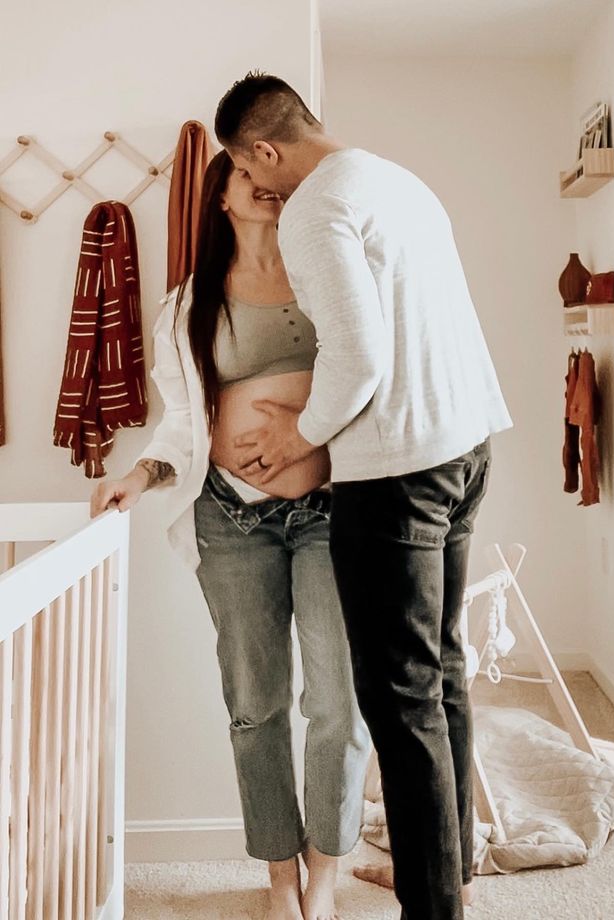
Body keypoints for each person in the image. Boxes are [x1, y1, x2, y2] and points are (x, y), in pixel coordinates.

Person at [213, 73, 513, 920]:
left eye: (245, 165)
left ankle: (433, 905)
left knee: (401, 701)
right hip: (466, 448)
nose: (255, 184)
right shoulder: (397, 180)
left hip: (399, 475)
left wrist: (294, 434)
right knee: (442, 675)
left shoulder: (314, 207)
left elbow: (357, 357)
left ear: (264, 149)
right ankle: (450, 875)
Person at [90, 149, 370, 920]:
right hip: (232, 515)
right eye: (247, 175)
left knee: (339, 704)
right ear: (221, 195)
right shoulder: (188, 305)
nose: (265, 185)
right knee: (256, 702)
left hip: (329, 512)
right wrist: (137, 477)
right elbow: (181, 422)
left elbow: (362, 381)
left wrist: (306, 442)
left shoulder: (327, 277)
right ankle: (279, 874)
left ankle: (326, 868)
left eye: (272, 175)